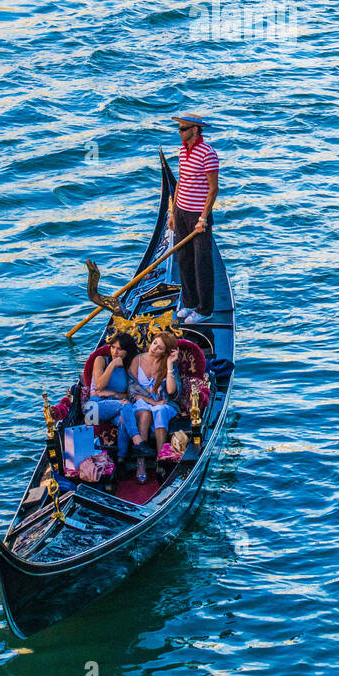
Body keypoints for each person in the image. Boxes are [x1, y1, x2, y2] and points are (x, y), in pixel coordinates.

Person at [169, 112, 219, 322]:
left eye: (183, 128)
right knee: (183, 259)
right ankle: (189, 302)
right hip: (181, 211)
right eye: (179, 128)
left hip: (198, 216)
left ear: (195, 130)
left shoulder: (208, 153)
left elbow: (213, 189)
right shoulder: (182, 151)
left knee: (202, 263)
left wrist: (203, 218)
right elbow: (180, 181)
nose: (179, 132)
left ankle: (205, 310)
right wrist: (172, 212)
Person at [119, 332, 181, 480]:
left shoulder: (167, 364)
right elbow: (131, 389)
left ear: (166, 352)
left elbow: (172, 391)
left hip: (163, 404)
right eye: (154, 343)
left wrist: (170, 364)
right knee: (144, 409)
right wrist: (150, 400)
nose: (154, 348)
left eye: (159, 348)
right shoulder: (137, 360)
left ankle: (161, 459)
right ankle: (141, 463)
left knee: (159, 409)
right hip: (141, 402)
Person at [83, 330, 139, 429]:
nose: (114, 352)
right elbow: (100, 385)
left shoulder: (130, 367)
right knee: (126, 407)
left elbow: (131, 395)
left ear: (127, 351)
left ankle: (137, 444)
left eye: (119, 349)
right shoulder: (101, 360)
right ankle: (139, 442)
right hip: (95, 407)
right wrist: (112, 364)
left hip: (117, 403)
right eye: (113, 347)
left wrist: (112, 394)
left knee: (124, 422)